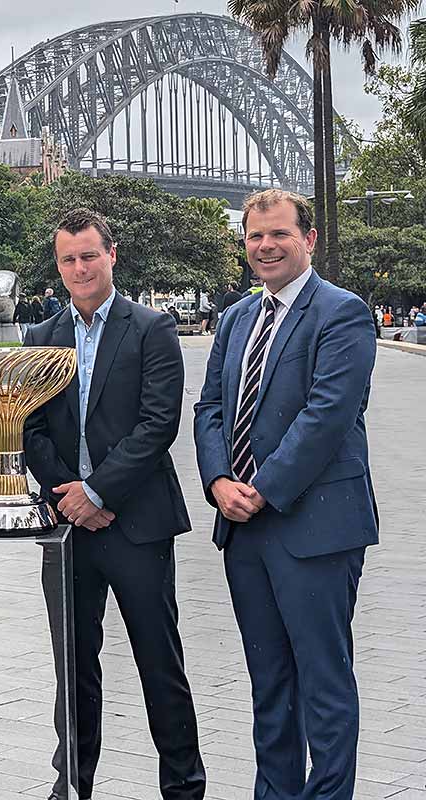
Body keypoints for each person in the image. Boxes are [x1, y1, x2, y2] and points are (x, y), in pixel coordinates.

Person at [194, 189, 378, 800]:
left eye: (279, 234)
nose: (266, 246)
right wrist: (220, 481)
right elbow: (211, 407)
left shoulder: (342, 312)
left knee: (322, 683)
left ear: (309, 239)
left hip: (313, 525)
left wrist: (262, 490)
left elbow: (328, 415)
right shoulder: (237, 317)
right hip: (243, 528)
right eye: (254, 237)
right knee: (269, 683)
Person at [23, 208, 206, 800]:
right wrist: (69, 498)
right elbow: (27, 430)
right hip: (67, 527)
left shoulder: (151, 328)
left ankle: (183, 784)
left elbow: (158, 424)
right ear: (59, 266)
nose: (79, 267)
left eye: (89, 255)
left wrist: (97, 493)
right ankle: (72, 783)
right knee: (73, 669)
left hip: (136, 524)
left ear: (111, 256)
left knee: (160, 662)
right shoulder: (40, 338)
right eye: (68, 258)